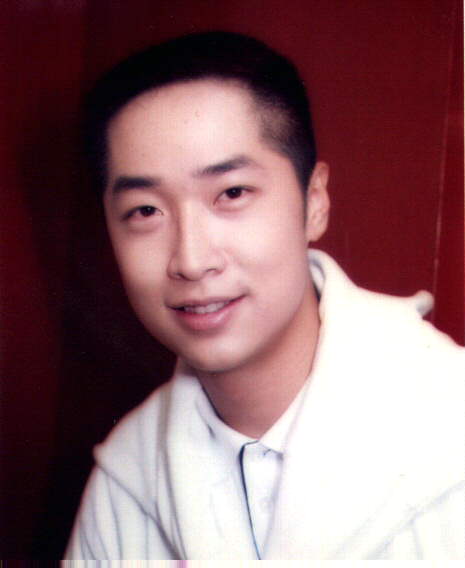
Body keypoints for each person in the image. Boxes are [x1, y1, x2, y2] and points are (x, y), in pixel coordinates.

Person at [65, 31, 465, 560]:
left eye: (231, 193)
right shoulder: (126, 477)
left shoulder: (449, 419)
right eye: (145, 211)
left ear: (314, 202)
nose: (191, 259)